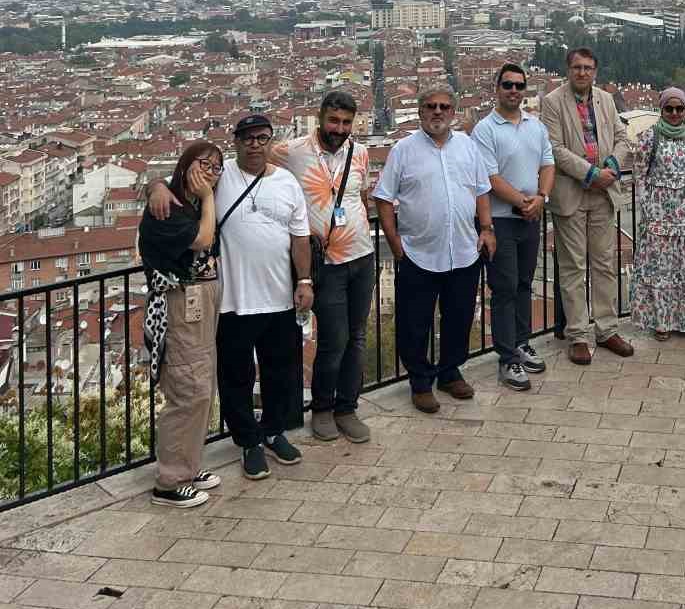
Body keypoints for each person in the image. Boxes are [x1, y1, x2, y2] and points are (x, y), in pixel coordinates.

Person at [147, 113, 313, 479]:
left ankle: (273, 431)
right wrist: (155, 187)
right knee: (235, 376)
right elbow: (178, 180)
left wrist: (305, 281)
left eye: (262, 138)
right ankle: (248, 442)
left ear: (272, 141)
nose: (255, 144)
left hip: (281, 297)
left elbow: (300, 237)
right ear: (236, 142)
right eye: (248, 138)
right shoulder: (219, 179)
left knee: (280, 372)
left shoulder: (287, 182)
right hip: (233, 301)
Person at [374, 85, 497, 413]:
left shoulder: (468, 148)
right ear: (420, 112)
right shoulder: (403, 149)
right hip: (418, 252)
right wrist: (394, 243)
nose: (437, 112)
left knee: (458, 316)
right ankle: (419, 380)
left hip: (464, 250)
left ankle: (450, 373)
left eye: (444, 106)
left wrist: (486, 229)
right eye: (430, 106)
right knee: (415, 322)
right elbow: (384, 198)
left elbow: (482, 190)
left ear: (453, 112)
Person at [272, 90, 376, 444]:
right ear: (320, 117)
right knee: (335, 339)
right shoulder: (292, 151)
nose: (339, 128)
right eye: (334, 120)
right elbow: (248, 163)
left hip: (362, 257)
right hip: (325, 264)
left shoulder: (359, 152)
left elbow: (359, 198)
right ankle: (322, 409)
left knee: (358, 337)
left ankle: (348, 407)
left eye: (346, 122)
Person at [138, 141, 223, 507]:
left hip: (202, 300)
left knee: (203, 383)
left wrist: (155, 182)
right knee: (188, 388)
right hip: (180, 302)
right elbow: (203, 239)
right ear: (187, 165)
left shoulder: (188, 201)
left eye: (216, 168)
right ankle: (170, 481)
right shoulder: (167, 206)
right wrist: (203, 196)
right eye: (204, 164)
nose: (210, 172)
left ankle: (188, 465)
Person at [541, 48, 633, 366]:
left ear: (596, 71)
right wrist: (590, 173)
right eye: (577, 68)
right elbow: (554, 148)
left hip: (603, 192)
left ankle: (607, 330)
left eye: (588, 68)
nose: (583, 73)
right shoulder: (553, 101)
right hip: (572, 193)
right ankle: (578, 334)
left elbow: (623, 139)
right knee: (573, 268)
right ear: (568, 70)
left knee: (605, 263)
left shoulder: (605, 100)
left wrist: (610, 167)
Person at [471, 65, 555, 390]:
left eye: (519, 85)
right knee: (503, 289)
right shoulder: (485, 129)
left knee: (523, 284)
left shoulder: (536, 126)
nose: (514, 90)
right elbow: (489, 179)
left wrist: (542, 197)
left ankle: (521, 343)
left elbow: (548, 164)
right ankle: (507, 358)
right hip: (501, 220)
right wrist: (525, 201)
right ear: (497, 87)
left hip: (530, 217)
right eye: (507, 84)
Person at [630, 87, 685, 340]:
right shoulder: (650, 137)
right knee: (661, 269)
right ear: (662, 109)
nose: (675, 113)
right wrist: (647, 207)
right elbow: (640, 174)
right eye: (670, 108)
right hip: (660, 213)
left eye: (680, 109)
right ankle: (662, 321)